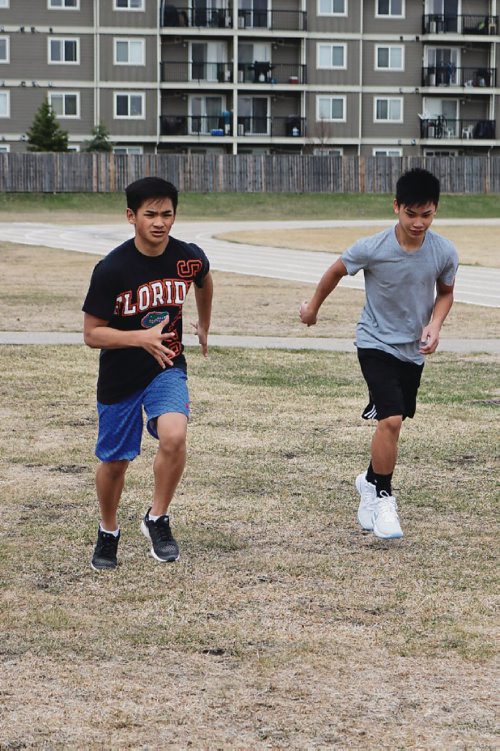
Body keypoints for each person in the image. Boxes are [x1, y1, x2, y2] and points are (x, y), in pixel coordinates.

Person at [299, 168, 459, 539]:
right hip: (374, 343)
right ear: (396, 207)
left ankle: (368, 481)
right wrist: (312, 309)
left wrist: (435, 325)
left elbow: (446, 293)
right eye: (411, 214)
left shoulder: (444, 251)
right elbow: (336, 271)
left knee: (396, 420)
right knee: (391, 420)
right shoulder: (372, 247)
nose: (418, 223)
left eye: (427, 214)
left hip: (412, 350)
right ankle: (384, 496)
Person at [83, 177, 213, 570]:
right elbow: (92, 334)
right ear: (131, 216)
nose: (160, 222)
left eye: (167, 214)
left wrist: (204, 324)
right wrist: (139, 337)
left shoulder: (187, 257)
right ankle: (109, 531)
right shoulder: (112, 269)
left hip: (166, 365)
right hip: (121, 376)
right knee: (115, 461)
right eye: (150, 214)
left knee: (174, 436)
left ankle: (157, 518)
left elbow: (204, 278)